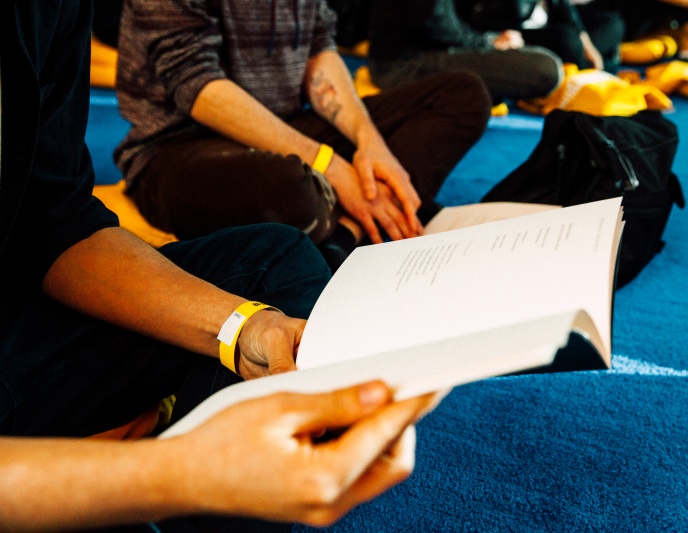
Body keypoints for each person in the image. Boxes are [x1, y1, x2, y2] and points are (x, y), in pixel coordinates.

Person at [1, 1, 437, 530]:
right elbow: (192, 76)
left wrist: (245, 327)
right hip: (187, 153)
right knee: (298, 198)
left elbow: (53, 222)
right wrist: (171, 472)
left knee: (275, 263)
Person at [113, 0, 493, 271]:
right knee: (295, 193)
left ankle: (345, 234)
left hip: (287, 127)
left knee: (463, 95)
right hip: (179, 148)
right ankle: (358, 219)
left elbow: (319, 49)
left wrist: (369, 143)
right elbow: (195, 84)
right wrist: (330, 165)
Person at [367, 0, 565, 105]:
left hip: (424, 52)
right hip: (403, 65)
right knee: (546, 69)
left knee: (559, 45)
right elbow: (435, 22)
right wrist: (488, 44)